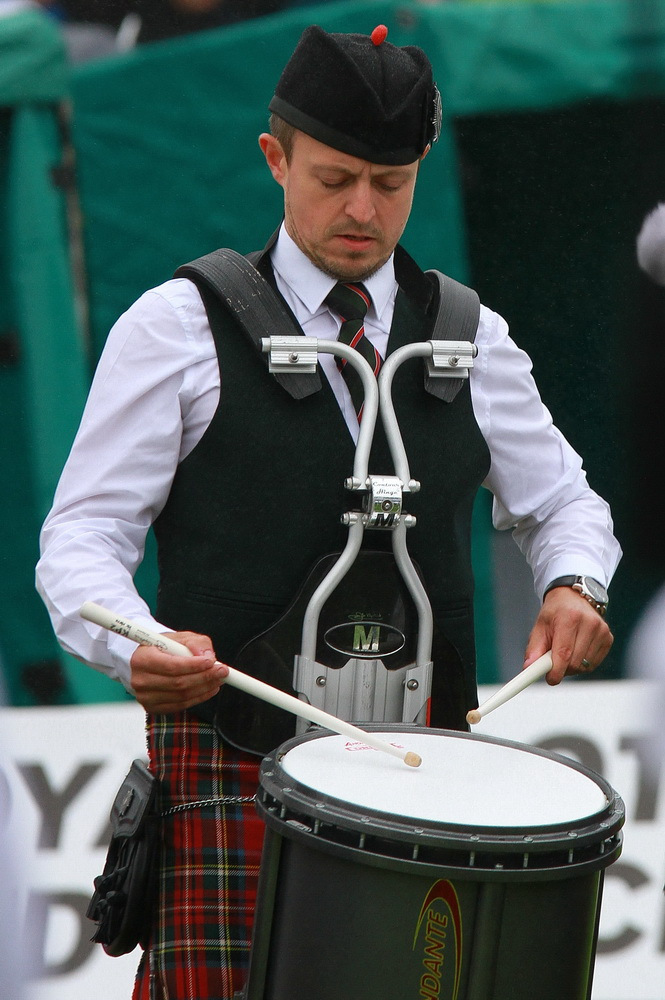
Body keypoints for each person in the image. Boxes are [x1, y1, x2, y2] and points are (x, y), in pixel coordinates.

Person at [36, 23, 621, 999]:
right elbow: (81, 538)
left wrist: (573, 583)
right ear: (276, 158)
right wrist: (131, 643)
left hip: (425, 781)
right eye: (334, 177)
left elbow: (563, 499)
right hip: (231, 765)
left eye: (390, 182)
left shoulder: (467, 337)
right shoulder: (179, 327)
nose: (361, 208)